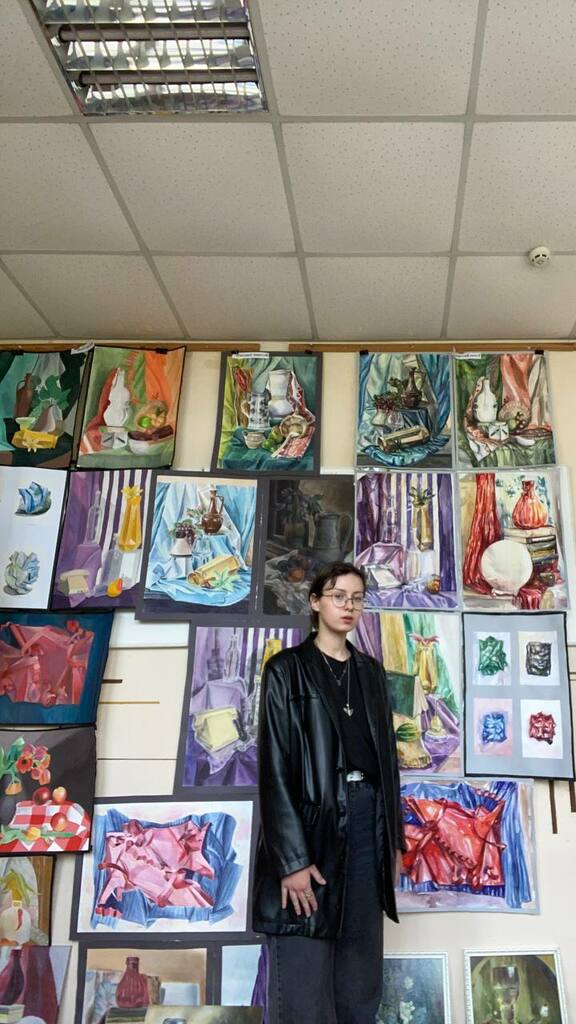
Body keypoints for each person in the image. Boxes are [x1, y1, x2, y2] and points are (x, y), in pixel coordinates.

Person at [252, 561, 405, 1024]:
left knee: (359, 980)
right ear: (316, 602)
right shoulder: (286, 670)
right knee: (305, 985)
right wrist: (292, 860)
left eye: (357, 598)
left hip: (367, 823)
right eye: (339, 596)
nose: (348, 606)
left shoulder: (370, 672)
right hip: (311, 828)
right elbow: (274, 769)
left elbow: (387, 763)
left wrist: (393, 842)